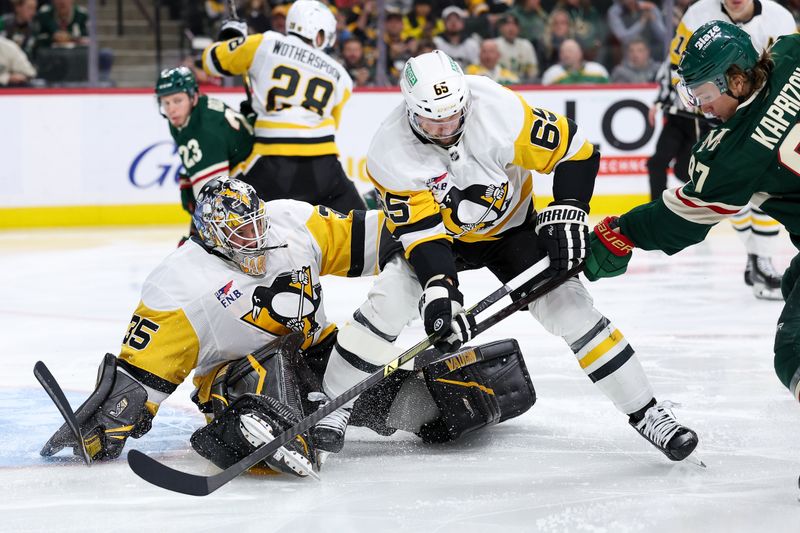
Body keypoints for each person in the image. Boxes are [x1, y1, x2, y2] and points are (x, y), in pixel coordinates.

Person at [314, 50, 700, 462]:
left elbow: (578, 151)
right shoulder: (389, 151)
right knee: (389, 303)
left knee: (572, 310)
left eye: (453, 116)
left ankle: (648, 412)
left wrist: (568, 209)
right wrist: (441, 290)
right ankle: (333, 405)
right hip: (440, 238)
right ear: (410, 110)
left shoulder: (499, 109)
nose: (446, 128)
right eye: (432, 120)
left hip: (512, 231)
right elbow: (423, 237)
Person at [40, 176, 538, 476]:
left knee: (435, 401)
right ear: (211, 237)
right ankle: (253, 431)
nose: (257, 241)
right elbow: (140, 377)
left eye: (257, 226)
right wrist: (107, 423)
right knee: (265, 373)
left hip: (320, 360)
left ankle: (418, 400)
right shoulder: (179, 284)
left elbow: (375, 239)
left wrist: (437, 268)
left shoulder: (289, 223)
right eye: (241, 234)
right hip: (235, 382)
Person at [585, 20, 800, 425]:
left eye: (703, 94)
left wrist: (623, 231)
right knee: (792, 282)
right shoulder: (792, 49)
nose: (699, 107)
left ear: (736, 81)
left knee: (795, 351)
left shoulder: (732, 156)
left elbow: (680, 218)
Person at [651, 0, 797, 300]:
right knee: (732, 189)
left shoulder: (778, 17)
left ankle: (762, 257)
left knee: (760, 184)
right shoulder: (697, 14)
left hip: (765, 115)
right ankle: (755, 255)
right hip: (717, 111)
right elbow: (679, 66)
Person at [201, 0, 366, 213]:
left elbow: (211, 62)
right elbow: (333, 124)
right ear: (318, 33)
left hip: (272, 162)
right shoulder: (341, 76)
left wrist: (232, 40)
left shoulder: (265, 43)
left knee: (225, 213)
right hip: (324, 168)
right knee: (360, 228)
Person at [155, 66, 254, 235]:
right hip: (244, 166)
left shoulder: (204, 130)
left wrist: (197, 236)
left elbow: (215, 200)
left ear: (193, 97)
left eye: (177, 100)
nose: (171, 109)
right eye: (166, 102)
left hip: (255, 177)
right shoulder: (188, 116)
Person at [493, 12, 539, 83]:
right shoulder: (494, 45)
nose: (511, 28)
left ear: (519, 28)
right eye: (507, 25)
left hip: (522, 85)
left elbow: (533, 72)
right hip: (500, 84)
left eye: (514, 25)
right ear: (501, 28)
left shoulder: (526, 45)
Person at [541, 37, 609, 85]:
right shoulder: (552, 74)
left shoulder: (598, 71)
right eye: (562, 52)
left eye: (570, 51)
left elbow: (609, 94)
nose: (566, 54)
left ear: (580, 53)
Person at [432, 6, 480, 70]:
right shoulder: (436, 42)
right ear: (444, 23)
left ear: (462, 23)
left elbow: (476, 65)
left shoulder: (471, 44)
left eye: (457, 19)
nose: (453, 22)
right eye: (449, 19)